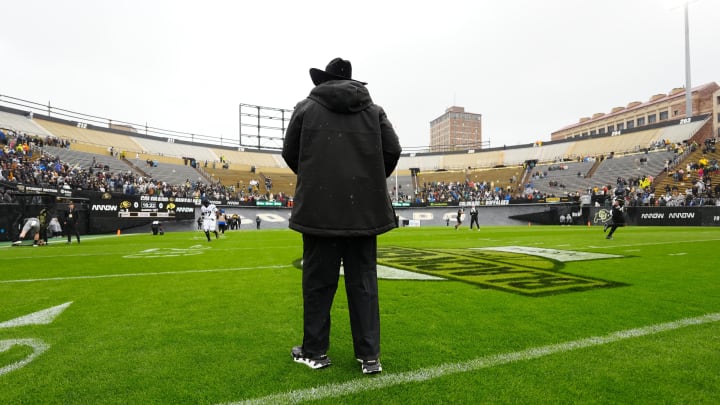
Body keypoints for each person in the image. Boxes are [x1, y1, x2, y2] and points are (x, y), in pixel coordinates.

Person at [282, 57, 401, 375]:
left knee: (318, 285)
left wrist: (316, 178)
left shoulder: (306, 107)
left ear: (324, 80)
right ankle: (369, 357)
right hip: (364, 212)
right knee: (364, 283)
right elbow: (393, 151)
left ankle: (315, 352)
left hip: (319, 211)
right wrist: (367, 179)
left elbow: (289, 152)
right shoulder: (373, 111)